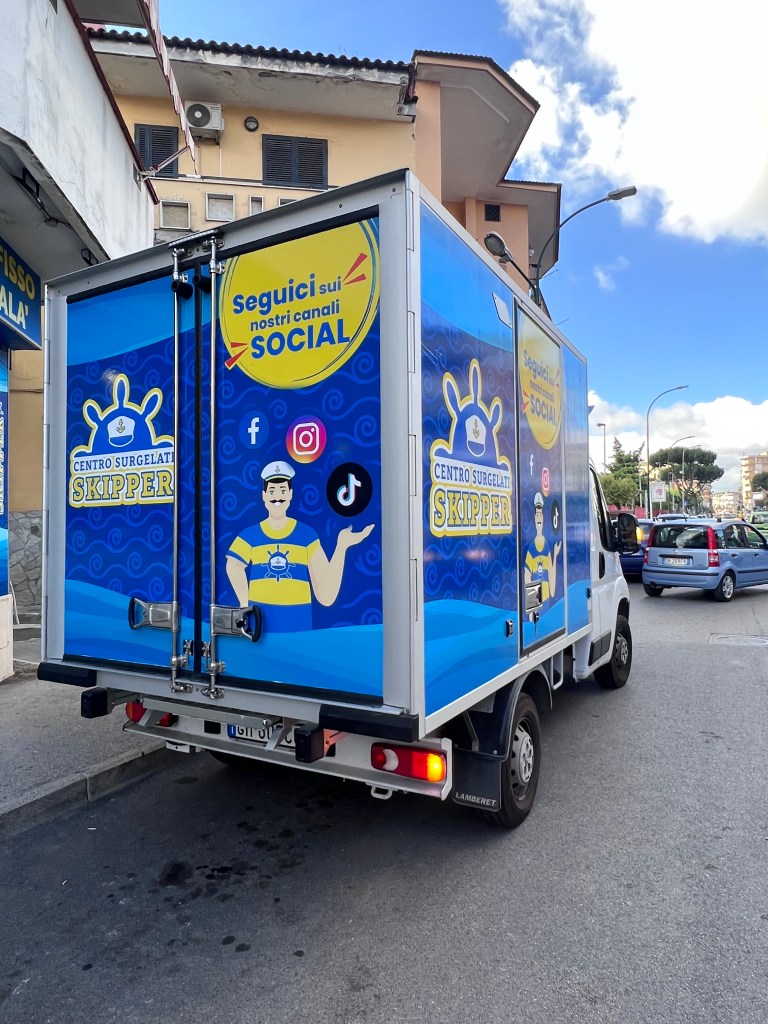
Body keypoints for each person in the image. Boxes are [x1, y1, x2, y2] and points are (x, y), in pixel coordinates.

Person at [225, 460, 374, 632]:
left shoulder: (307, 535)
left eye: (282, 490)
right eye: (272, 491)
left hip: (298, 632)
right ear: (264, 495)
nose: (277, 496)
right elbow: (233, 565)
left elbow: (326, 596)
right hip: (261, 631)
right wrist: (245, 604)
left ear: (290, 494)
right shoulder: (249, 535)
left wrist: (342, 546)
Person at [523, 491, 561, 614]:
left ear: (543, 518)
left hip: (546, 600)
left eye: (540, 515)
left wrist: (555, 555)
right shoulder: (531, 548)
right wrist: (533, 605)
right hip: (537, 601)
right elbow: (527, 576)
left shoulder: (546, 546)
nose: (539, 517)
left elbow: (551, 577)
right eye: (537, 515)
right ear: (534, 518)